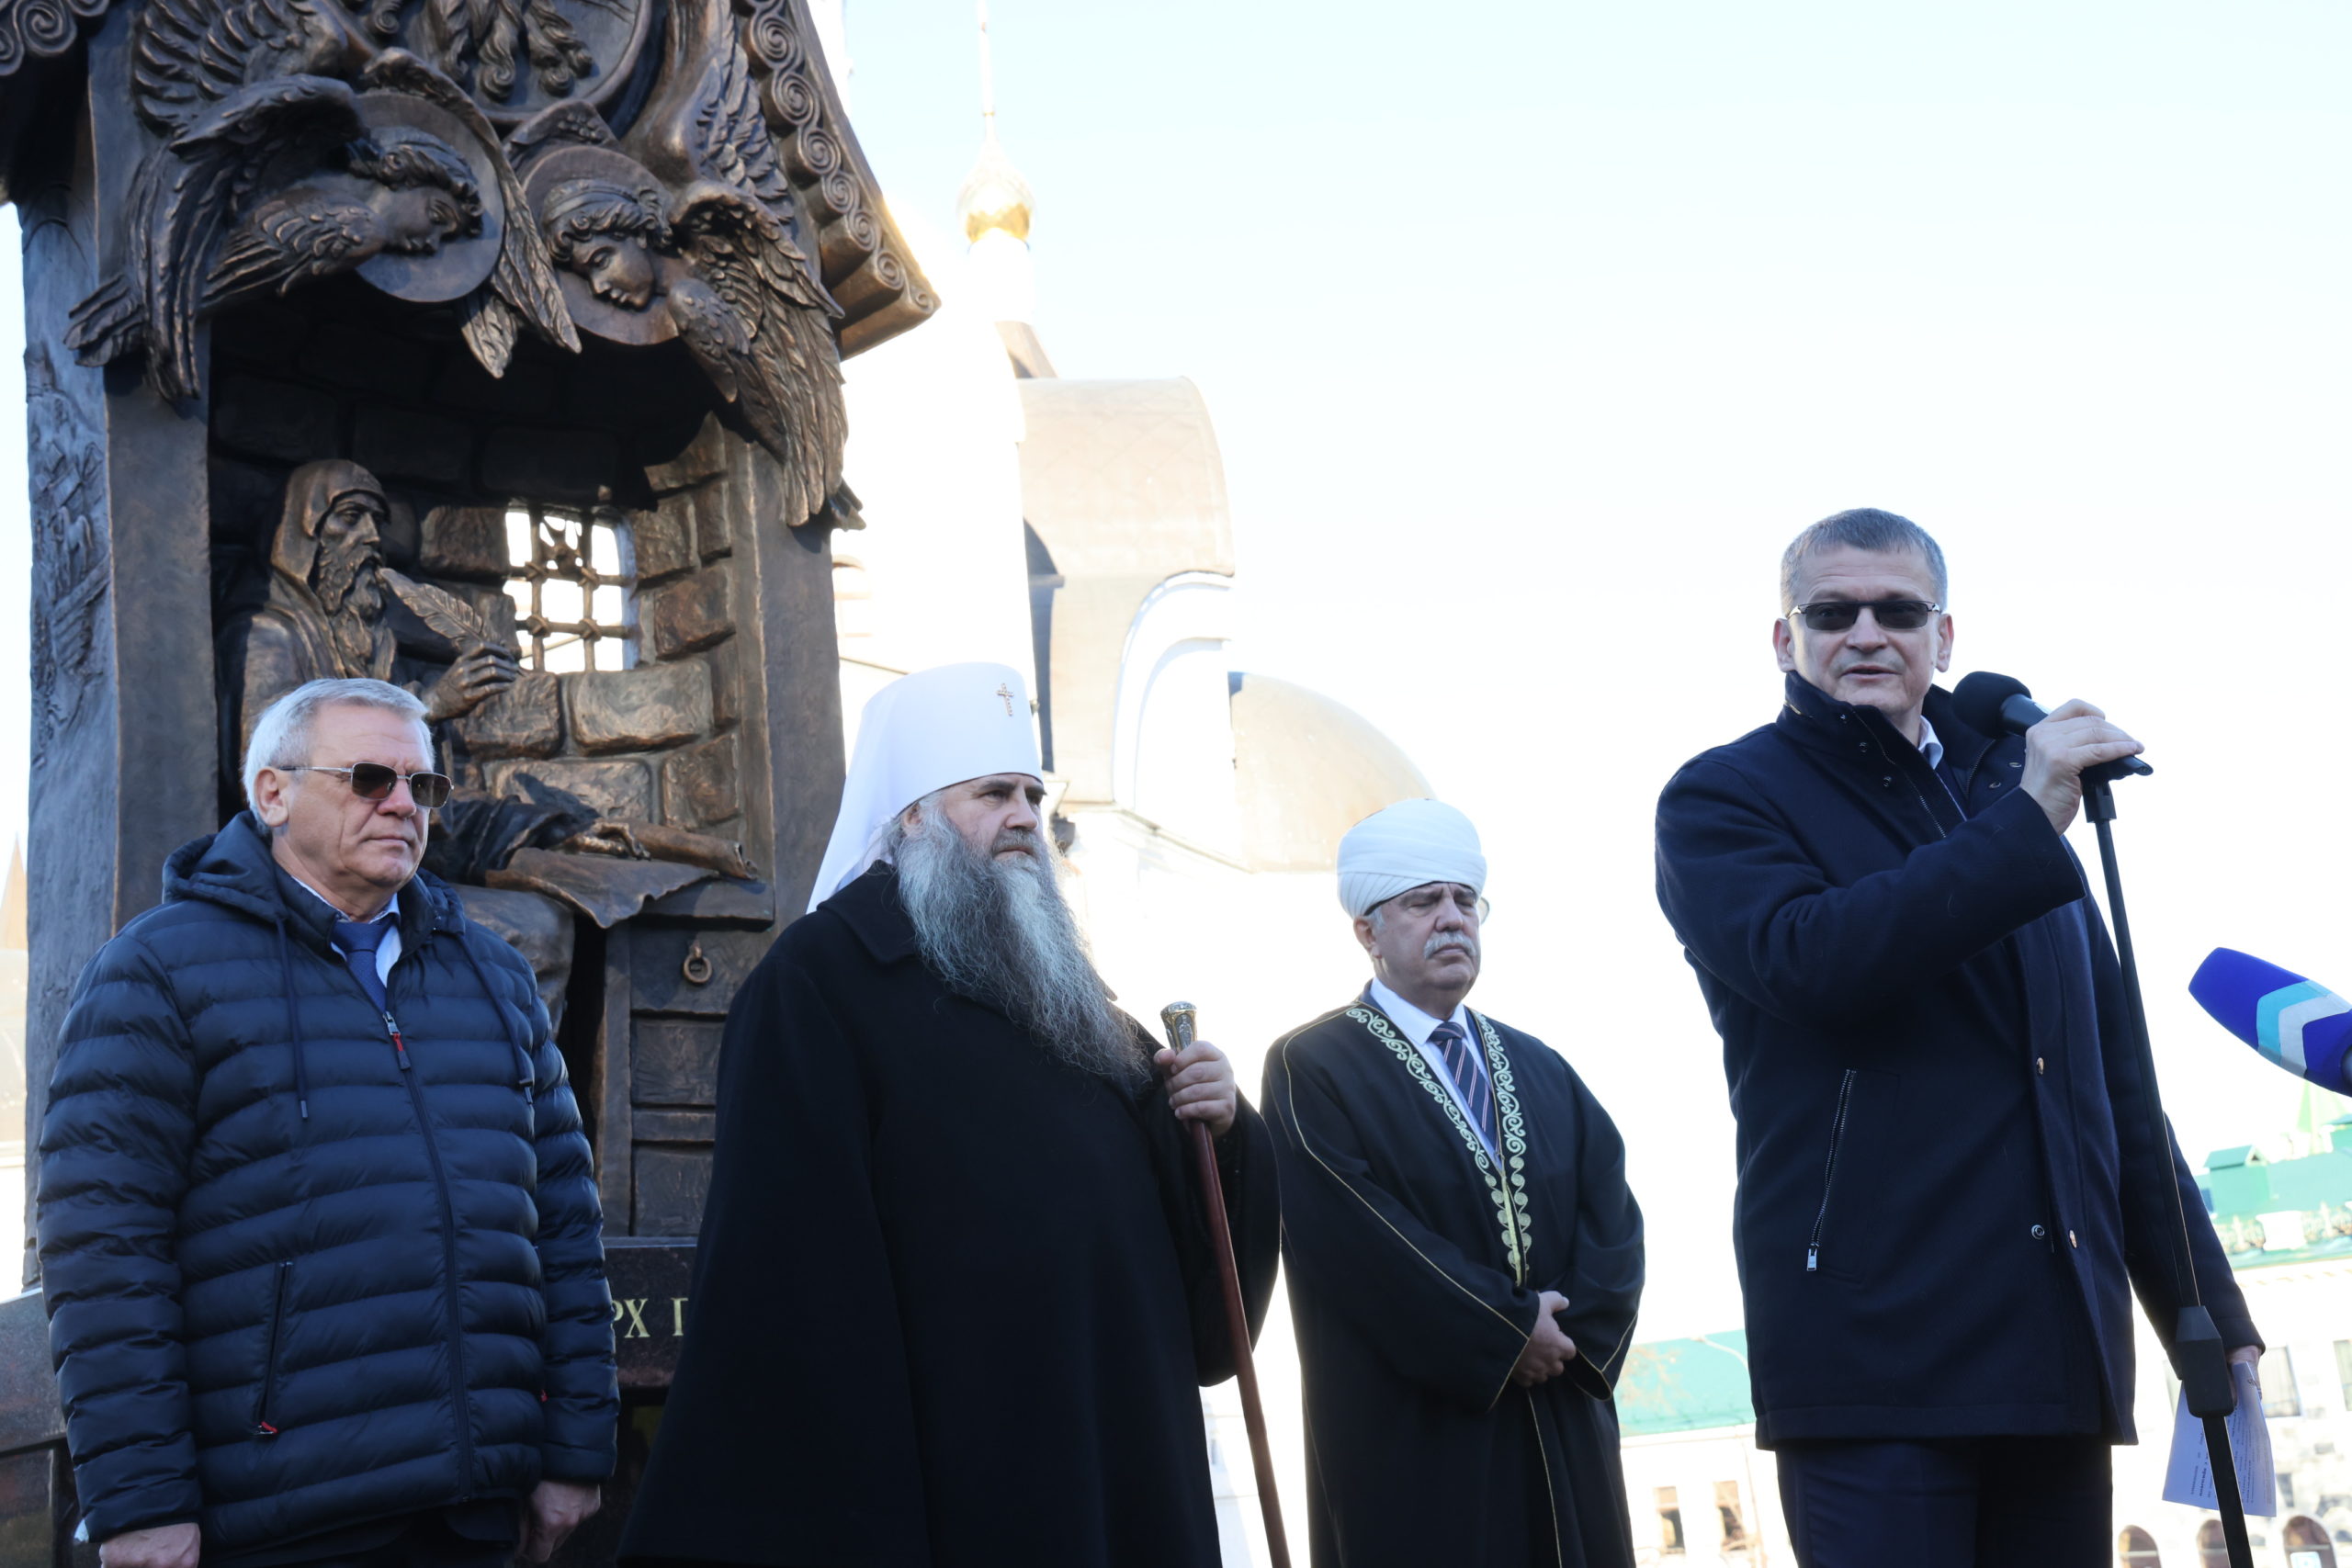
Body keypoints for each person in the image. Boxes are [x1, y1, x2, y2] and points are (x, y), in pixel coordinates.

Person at [1652, 509, 2260, 1565]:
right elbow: (1812, 962)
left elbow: (2110, 1086)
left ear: (1945, 637)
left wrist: (2209, 1311)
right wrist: (2024, 821)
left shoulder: (2003, 797)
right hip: (1871, 1360)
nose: (1865, 634)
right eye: (1830, 611)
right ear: (1781, 638)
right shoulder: (1727, 797)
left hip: (2053, 1356)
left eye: (1898, 610)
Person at [619, 661, 1278, 1568]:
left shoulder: (1075, 1001)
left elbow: (1186, 1241)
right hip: (961, 1471)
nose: (1023, 819)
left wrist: (1221, 1124)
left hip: (1117, 1446)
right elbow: (792, 1281)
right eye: (994, 794)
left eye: (1032, 798)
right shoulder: (821, 984)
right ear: (915, 815)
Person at [38, 677, 616, 1568]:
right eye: (367, 778)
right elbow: (106, 1255)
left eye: (422, 787)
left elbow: (566, 1229)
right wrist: (141, 1502)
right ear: (271, 792)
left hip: (472, 1510)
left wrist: (576, 1450)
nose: (401, 805)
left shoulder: (491, 976)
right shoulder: (155, 974)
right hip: (277, 1517)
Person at [1261, 798, 1644, 1568]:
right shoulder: (1313, 1064)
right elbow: (1357, 1241)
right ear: (1367, 930)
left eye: (1466, 900)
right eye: (1423, 900)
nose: (1452, 919)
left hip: (1561, 1420)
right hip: (1418, 1436)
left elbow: (1613, 1216)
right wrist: (1507, 1332)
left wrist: (1564, 1338)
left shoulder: (1541, 1065)